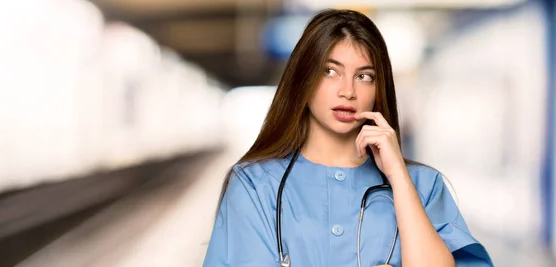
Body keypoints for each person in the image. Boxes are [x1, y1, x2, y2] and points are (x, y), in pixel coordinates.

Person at [203, 9, 493, 267]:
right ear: (303, 78)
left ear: (380, 89)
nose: (347, 91)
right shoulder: (254, 186)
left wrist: (398, 177)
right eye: (330, 71)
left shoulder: (424, 186)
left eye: (364, 76)